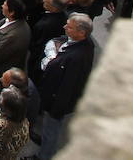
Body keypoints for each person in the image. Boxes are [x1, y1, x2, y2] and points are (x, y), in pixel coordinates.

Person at [36, 13, 96, 159]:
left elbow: (67, 86)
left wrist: (56, 109)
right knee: (49, 129)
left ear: (81, 33)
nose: (64, 27)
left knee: (52, 130)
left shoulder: (76, 58)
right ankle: (44, 143)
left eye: (69, 27)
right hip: (54, 97)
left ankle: (45, 155)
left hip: (57, 102)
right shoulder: (84, 45)